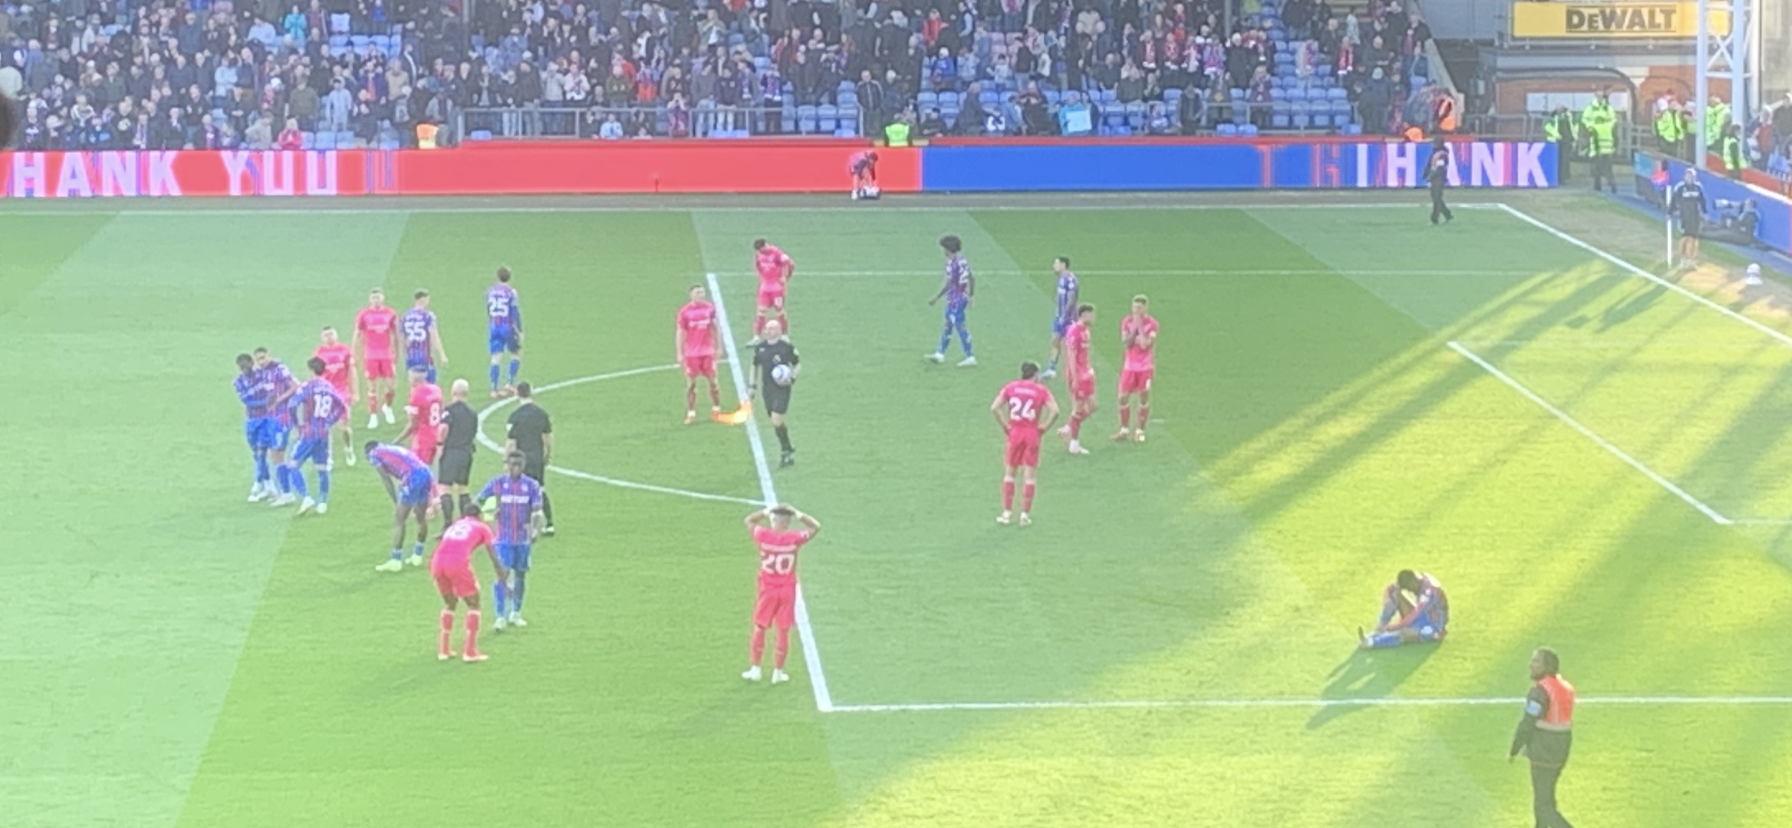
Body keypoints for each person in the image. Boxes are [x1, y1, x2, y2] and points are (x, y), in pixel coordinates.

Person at [741, 503, 821, 685]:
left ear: (774, 520)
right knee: (783, 630)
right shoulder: (794, 539)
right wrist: (797, 512)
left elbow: (749, 520)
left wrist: (767, 510)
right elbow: (815, 526)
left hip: (768, 589)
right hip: (787, 589)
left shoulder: (763, 536)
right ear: (788, 522)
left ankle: (756, 669)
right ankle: (778, 673)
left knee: (760, 627)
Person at [430, 503, 507, 662]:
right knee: (474, 603)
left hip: (437, 562)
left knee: (450, 603)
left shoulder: (455, 525)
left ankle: (444, 649)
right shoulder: (482, 527)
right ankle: (470, 651)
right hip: (456, 563)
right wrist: (502, 577)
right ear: (479, 515)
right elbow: (493, 555)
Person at [477, 451, 545, 630]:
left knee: (520, 575)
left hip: (523, 540)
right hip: (504, 539)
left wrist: (535, 530)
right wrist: (489, 515)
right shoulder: (498, 483)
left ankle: (516, 612)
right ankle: (500, 616)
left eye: (518, 464)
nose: (515, 468)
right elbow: (478, 502)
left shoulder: (532, 485)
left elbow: (537, 511)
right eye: (512, 464)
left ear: (523, 465)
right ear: (507, 465)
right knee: (503, 574)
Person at [1510, 647, 1577, 828]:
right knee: (1545, 799)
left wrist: (1515, 748)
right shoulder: (1565, 687)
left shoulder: (1540, 692)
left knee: (1544, 806)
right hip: (1561, 749)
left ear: (1547, 666)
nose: (1531, 665)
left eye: (1536, 661)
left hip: (1544, 750)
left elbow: (1528, 722)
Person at [992, 361, 1060, 526]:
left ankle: (1007, 513)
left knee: (1010, 474)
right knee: (1029, 477)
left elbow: (994, 408)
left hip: (1015, 432)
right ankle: (1024, 515)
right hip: (1031, 433)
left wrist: (1005, 426)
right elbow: (1055, 411)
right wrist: (1044, 427)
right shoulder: (1041, 390)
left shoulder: (1010, 387)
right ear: (1035, 375)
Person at [286, 357, 347, 516]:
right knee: (322, 469)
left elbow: (292, 405)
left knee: (293, 466)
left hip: (309, 432)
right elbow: (342, 406)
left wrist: (297, 425)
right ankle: (323, 503)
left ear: (311, 370)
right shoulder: (329, 387)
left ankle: (306, 497)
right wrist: (329, 422)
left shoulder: (308, 386)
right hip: (323, 432)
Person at [366, 441, 436, 572]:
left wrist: (395, 499)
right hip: (425, 472)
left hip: (412, 477)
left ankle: (395, 560)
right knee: (420, 517)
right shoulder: (391, 448)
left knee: (400, 519)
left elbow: (386, 479)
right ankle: (417, 555)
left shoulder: (374, 454)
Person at [505, 382, 556, 535]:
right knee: (539, 488)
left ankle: (525, 525)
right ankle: (549, 524)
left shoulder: (515, 416)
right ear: (531, 392)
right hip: (537, 457)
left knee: (521, 491)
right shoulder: (541, 414)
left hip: (521, 459)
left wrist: (507, 461)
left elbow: (511, 442)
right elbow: (548, 437)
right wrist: (547, 454)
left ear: (517, 394)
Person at [749, 319, 801, 468]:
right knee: (774, 420)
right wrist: (752, 385)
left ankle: (785, 450)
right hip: (767, 389)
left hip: (782, 389)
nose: (768, 331)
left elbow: (797, 364)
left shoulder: (786, 348)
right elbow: (754, 366)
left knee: (776, 419)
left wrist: (791, 379)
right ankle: (787, 447)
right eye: (767, 328)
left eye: (772, 328)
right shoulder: (760, 348)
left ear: (779, 331)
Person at [255, 348, 301, 507]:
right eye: (258, 359)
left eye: (263, 357)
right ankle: (283, 492)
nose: (261, 361)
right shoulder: (260, 373)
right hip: (270, 417)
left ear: (269, 355)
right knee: (274, 454)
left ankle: (287, 494)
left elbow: (295, 385)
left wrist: (280, 399)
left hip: (282, 417)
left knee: (278, 454)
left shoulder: (280, 369)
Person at [1359, 570, 1449, 648]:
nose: (1410, 591)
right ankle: (1379, 629)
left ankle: (1372, 642)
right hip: (1422, 615)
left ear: (1413, 582)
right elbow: (1391, 588)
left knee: (1404, 633)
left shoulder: (1429, 590)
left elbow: (1416, 614)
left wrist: (1396, 626)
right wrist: (1387, 598)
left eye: (1410, 589)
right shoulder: (1417, 578)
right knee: (1395, 594)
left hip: (1433, 625)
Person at [927, 235, 977, 366]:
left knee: (960, 327)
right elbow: (971, 277)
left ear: (947, 249)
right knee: (948, 324)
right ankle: (940, 353)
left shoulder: (952, 263)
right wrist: (971, 295)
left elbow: (949, 284)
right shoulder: (962, 260)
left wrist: (936, 297)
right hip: (960, 298)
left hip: (956, 299)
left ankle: (970, 356)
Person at [353, 288, 400, 429]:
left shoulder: (390, 313)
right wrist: (354, 352)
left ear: (382, 298)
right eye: (374, 297)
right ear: (370, 299)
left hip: (386, 354)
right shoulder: (364, 314)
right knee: (372, 387)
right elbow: (357, 334)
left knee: (391, 386)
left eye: (378, 297)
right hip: (371, 355)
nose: (376, 300)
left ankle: (387, 407)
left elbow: (395, 334)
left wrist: (396, 351)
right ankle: (373, 415)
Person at [234, 353, 278, 502]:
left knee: (261, 452)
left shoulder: (263, 375)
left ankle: (257, 484)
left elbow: (272, 390)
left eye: (247, 366)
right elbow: (247, 402)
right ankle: (269, 485)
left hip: (265, 419)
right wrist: (265, 402)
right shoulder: (239, 382)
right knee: (256, 454)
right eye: (242, 367)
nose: (245, 369)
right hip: (252, 421)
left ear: (252, 363)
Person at [436, 378, 479, 532]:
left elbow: (443, 428)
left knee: (444, 488)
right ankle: (465, 522)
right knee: (463, 488)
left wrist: (439, 444)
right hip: (466, 453)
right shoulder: (472, 413)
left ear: (453, 392)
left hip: (451, 451)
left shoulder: (449, 410)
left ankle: (448, 524)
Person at [1114, 295, 1158, 443]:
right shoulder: (1126, 322)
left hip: (1145, 368)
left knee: (1143, 397)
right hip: (1129, 367)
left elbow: (1145, 345)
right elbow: (1126, 343)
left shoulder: (1152, 324)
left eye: (1139, 308)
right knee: (1122, 397)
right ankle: (1124, 430)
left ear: (1145, 308)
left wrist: (1139, 327)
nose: (1136, 311)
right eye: (1134, 307)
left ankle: (1140, 431)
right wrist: (1134, 329)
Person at [676, 284, 723, 424]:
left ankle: (716, 408)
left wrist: (719, 347)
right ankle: (691, 412)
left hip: (708, 352)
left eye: (702, 293)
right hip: (692, 354)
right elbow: (680, 332)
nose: (701, 295)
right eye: (698, 293)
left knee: (713, 382)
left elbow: (716, 328)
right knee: (691, 384)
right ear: (691, 295)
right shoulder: (685, 312)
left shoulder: (709, 308)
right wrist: (679, 353)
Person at [313, 327, 357, 466]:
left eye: (331, 334)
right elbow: (316, 375)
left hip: (342, 391)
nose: (329, 337)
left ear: (336, 335)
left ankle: (348, 449)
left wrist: (354, 392)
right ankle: (328, 455)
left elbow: (351, 371)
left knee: (344, 425)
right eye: (326, 335)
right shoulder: (319, 353)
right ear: (322, 338)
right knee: (325, 426)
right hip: (326, 392)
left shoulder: (345, 350)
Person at [1057, 304, 1097, 455]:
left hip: (1086, 373)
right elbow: (1071, 356)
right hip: (1078, 375)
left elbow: (1085, 353)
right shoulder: (1074, 331)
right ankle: (1074, 443)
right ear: (1084, 315)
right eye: (1091, 314)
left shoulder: (1086, 330)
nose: (1093, 317)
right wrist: (1074, 378)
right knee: (1078, 408)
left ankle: (1068, 428)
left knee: (1092, 406)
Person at [486, 267, 523, 397]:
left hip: (494, 326)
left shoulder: (490, 291)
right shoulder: (511, 292)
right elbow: (515, 312)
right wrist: (519, 330)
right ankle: (510, 383)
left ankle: (494, 389)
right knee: (516, 353)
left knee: (495, 357)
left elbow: (489, 309)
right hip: (507, 327)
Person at [1040, 257, 1078, 380]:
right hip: (1059, 316)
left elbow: (1072, 299)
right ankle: (1051, 369)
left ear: (1063, 265)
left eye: (1056, 264)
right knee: (1055, 341)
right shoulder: (1061, 279)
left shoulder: (1070, 280)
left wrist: (1065, 316)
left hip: (1069, 318)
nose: (1054, 266)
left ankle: (1074, 370)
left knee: (1071, 345)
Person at [750, 238, 794, 343]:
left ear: (766, 245)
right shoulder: (759, 255)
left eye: (762, 250)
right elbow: (758, 266)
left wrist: (785, 277)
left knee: (779, 311)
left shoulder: (777, 253)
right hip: (765, 288)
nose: (761, 252)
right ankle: (756, 337)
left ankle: (784, 335)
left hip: (776, 288)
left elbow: (790, 264)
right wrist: (763, 278)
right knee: (761, 312)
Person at [401, 289, 448, 386]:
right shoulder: (428, 315)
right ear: (424, 299)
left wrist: (404, 352)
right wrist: (442, 355)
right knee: (430, 385)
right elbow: (434, 336)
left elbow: (402, 337)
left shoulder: (406, 315)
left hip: (410, 356)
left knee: (414, 384)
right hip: (424, 356)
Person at [1581, 91, 1618, 194]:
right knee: (1603, 169)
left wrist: (1591, 127)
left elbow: (1613, 119)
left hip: (1601, 149)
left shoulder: (1607, 108)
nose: (1600, 98)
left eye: (1602, 96)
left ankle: (1604, 185)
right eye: (1599, 96)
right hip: (1602, 148)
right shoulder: (1591, 108)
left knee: (1601, 168)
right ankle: (1607, 185)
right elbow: (1584, 120)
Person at [1669, 168, 1707, 268]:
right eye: (1688, 175)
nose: (1690, 178)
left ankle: (1691, 260)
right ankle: (1683, 259)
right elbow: (1674, 200)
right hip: (1684, 216)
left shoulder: (1698, 187)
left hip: (1695, 216)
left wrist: (1705, 212)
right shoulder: (1680, 187)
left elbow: (1702, 201)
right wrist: (1670, 212)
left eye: (1692, 176)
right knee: (1685, 237)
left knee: (1694, 238)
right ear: (1685, 176)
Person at [1543, 105, 1575, 184]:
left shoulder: (1567, 117)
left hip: (1565, 142)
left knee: (1564, 161)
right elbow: (1548, 128)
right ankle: (1557, 179)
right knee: (1557, 161)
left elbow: (1571, 128)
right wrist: (1558, 136)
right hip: (1554, 142)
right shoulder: (1551, 118)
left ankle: (1562, 178)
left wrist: (1572, 138)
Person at [1426, 136, 1453, 225]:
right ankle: (1447, 214)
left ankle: (1435, 218)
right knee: (1437, 198)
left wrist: (1430, 176)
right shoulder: (1436, 153)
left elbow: (1439, 168)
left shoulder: (1442, 154)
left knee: (1436, 199)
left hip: (1439, 178)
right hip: (1436, 178)